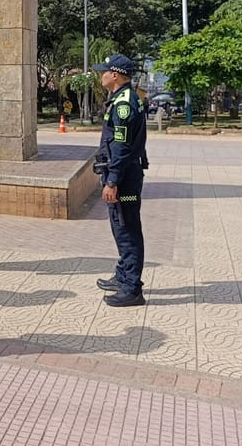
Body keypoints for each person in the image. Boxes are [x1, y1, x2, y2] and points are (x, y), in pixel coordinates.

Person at [93, 54, 149, 308]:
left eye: (104, 71)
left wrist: (112, 181)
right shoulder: (122, 98)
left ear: (114, 75)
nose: (101, 75)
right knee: (121, 226)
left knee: (127, 229)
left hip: (124, 178)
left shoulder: (124, 103)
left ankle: (132, 288)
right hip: (123, 173)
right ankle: (124, 275)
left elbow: (122, 147)